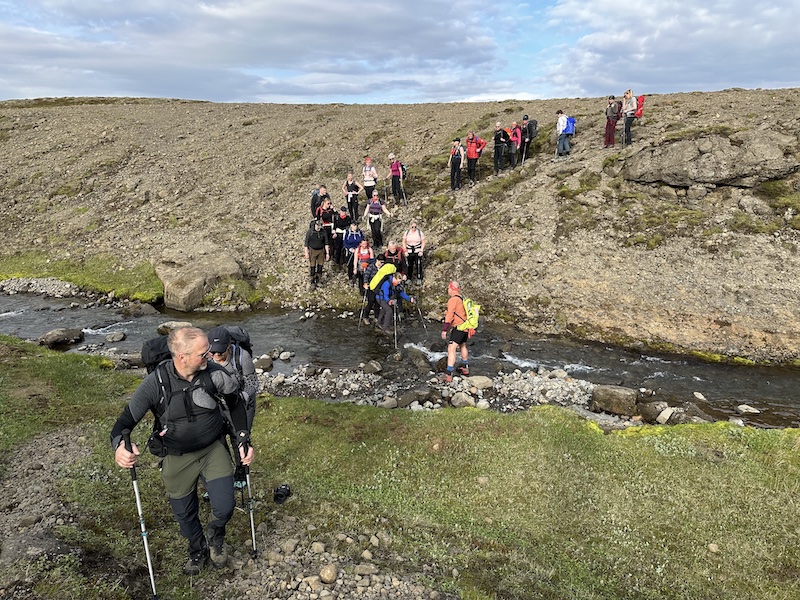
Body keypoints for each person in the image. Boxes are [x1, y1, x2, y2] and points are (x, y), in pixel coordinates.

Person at [110, 326, 254, 575]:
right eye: (203, 353)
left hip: (212, 450)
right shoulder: (156, 383)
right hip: (177, 457)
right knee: (185, 517)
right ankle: (197, 549)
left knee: (225, 507)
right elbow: (122, 425)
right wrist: (120, 447)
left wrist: (243, 437)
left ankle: (215, 536)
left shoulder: (214, 373)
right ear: (182, 357)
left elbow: (235, 402)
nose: (210, 356)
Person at [207, 326, 257, 431]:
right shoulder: (205, 359)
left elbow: (252, 384)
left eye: (220, 352)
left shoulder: (242, 356)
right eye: (213, 351)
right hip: (218, 406)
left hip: (242, 404)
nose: (216, 355)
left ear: (229, 345)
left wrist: (242, 398)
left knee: (240, 436)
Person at [441, 281, 470, 383]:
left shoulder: (453, 300)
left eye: (448, 288)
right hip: (466, 327)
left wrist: (445, 329)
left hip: (459, 327)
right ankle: (465, 367)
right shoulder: (462, 298)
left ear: (452, 289)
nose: (448, 290)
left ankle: (448, 374)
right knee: (462, 345)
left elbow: (450, 315)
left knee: (451, 348)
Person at [304, 219, 329, 290]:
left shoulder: (323, 232)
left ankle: (318, 279)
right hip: (312, 250)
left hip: (321, 250)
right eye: (318, 227)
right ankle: (312, 281)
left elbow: (326, 243)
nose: (319, 229)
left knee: (320, 265)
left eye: (320, 227)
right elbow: (306, 243)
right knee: (312, 266)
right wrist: (306, 252)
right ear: (315, 225)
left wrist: (327, 253)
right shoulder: (310, 232)